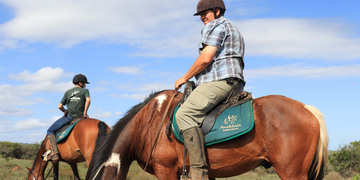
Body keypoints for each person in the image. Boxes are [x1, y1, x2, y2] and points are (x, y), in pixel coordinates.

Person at [174, 0, 245, 179]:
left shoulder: (217, 26)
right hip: (230, 81)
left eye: (206, 13)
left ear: (218, 11)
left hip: (221, 81)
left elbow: (206, 59)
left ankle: (199, 172)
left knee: (184, 114)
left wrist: (185, 77)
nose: (203, 17)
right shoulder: (231, 27)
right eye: (200, 15)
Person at [46, 73, 91, 161]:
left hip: (70, 117)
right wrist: (85, 113)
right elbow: (88, 100)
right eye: (84, 83)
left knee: (50, 130)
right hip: (81, 117)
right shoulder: (85, 91)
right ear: (80, 83)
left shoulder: (68, 92)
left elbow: (59, 106)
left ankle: (55, 153)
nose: (85, 85)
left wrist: (65, 111)